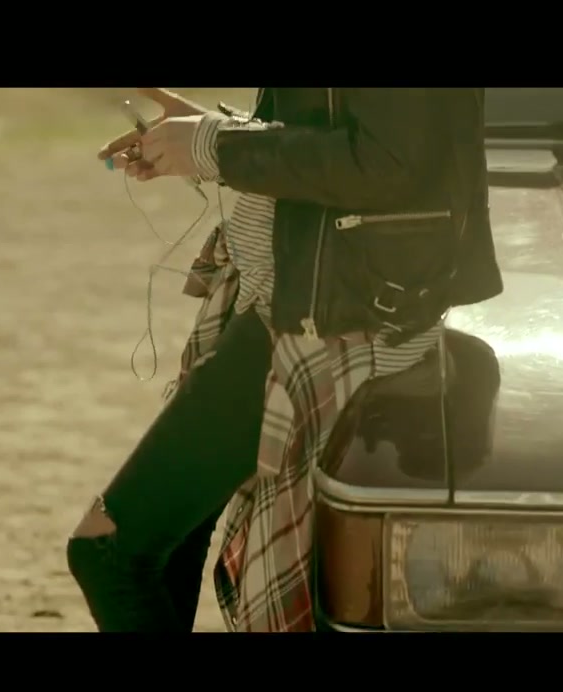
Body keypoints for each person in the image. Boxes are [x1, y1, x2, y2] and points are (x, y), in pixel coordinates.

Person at [67, 87, 502, 632]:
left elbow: (388, 163)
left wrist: (216, 145)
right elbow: (342, 134)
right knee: (165, 542)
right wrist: (212, 134)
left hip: (326, 326)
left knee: (110, 552)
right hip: (294, 304)